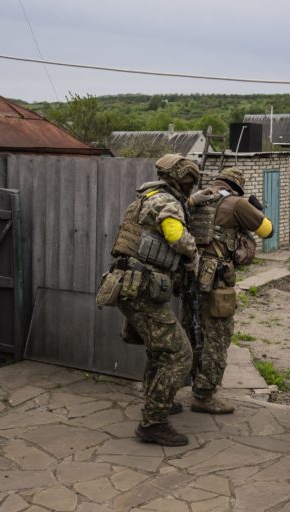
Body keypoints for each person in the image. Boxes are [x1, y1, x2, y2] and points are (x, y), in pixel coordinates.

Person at [101, 154, 200, 446]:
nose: (191, 187)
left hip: (131, 283)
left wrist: (194, 203)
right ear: (184, 180)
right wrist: (193, 251)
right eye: (190, 182)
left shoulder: (150, 196)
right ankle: (153, 422)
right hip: (142, 286)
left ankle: (159, 399)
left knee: (159, 350)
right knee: (180, 355)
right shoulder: (167, 202)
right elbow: (176, 236)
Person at [185, 167, 273, 414]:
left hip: (189, 274)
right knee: (217, 336)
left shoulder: (196, 199)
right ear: (237, 186)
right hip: (216, 280)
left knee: (190, 332)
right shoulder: (236, 203)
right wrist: (255, 210)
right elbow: (268, 231)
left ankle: (173, 389)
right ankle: (204, 396)